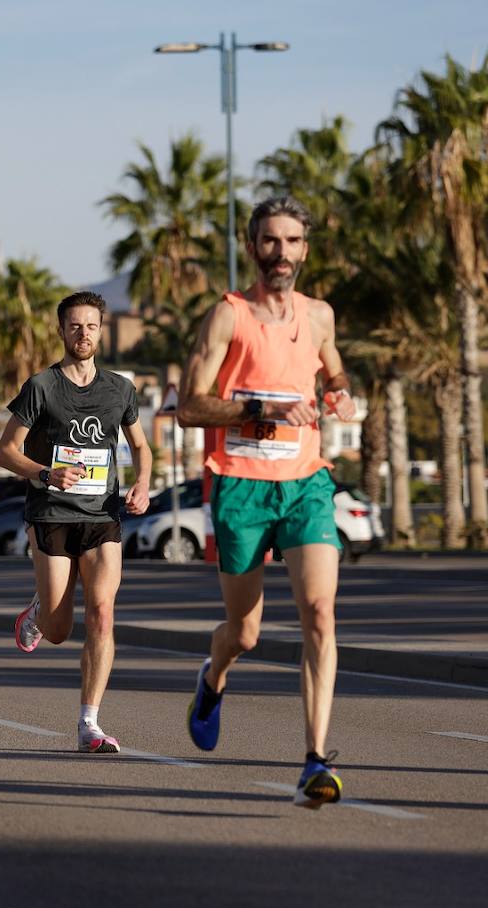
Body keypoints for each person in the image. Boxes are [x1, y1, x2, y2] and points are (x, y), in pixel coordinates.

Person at [176, 196, 358, 809]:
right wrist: (266, 409)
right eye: (270, 241)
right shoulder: (228, 317)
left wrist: (341, 396)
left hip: (306, 480)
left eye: (292, 241)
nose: (282, 253)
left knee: (320, 612)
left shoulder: (321, 316)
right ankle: (213, 678)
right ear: (253, 247)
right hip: (240, 487)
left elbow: (333, 374)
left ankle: (314, 759)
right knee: (246, 633)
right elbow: (190, 406)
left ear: (306, 248)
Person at [0, 291, 152, 752]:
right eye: (75, 326)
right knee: (61, 631)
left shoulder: (120, 389)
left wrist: (141, 484)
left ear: (101, 331)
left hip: (102, 515)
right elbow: (5, 452)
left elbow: (140, 446)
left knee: (102, 613)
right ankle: (41, 611)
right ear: (62, 331)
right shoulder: (41, 386)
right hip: (51, 513)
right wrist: (45, 473)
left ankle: (89, 723)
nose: (83, 334)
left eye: (91, 326)